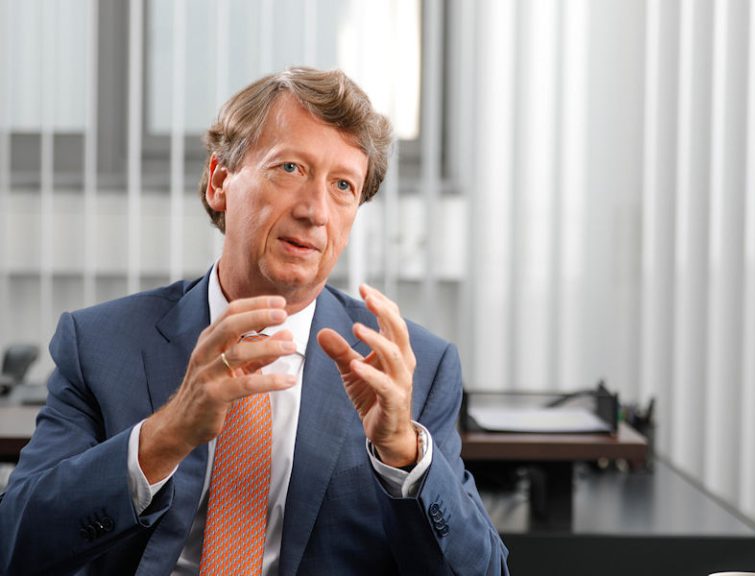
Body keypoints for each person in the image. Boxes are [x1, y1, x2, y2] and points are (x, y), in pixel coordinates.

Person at [0, 67, 508, 575]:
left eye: (342, 185)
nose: (315, 211)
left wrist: (403, 456)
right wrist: (165, 436)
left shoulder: (414, 368)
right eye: (290, 168)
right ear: (220, 182)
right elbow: (15, 546)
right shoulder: (100, 344)